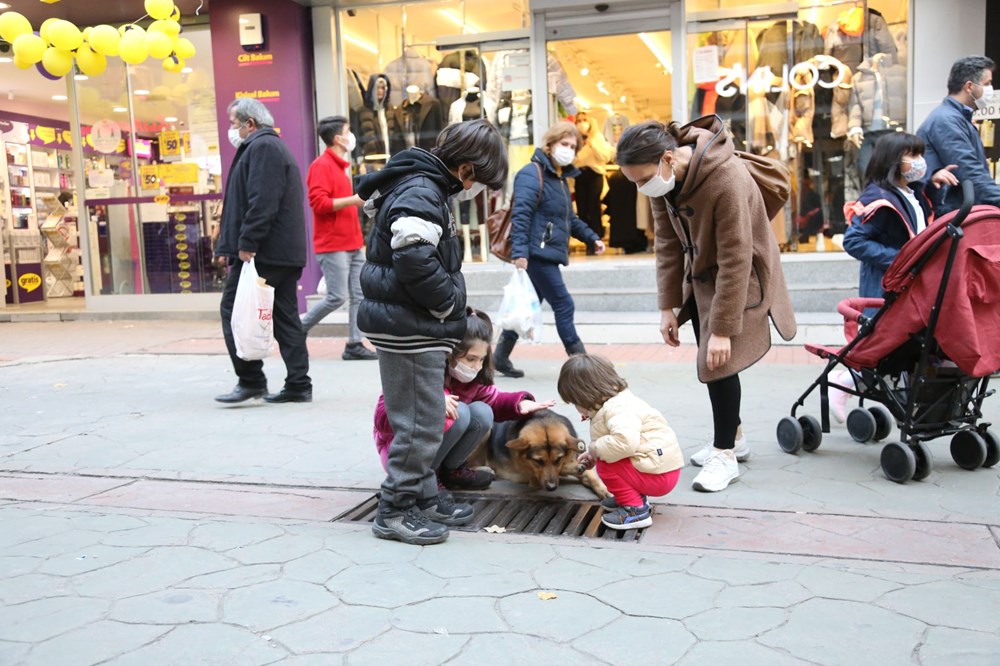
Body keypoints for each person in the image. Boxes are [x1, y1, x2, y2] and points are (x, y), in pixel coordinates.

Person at [615, 117, 796, 493]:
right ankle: (737, 438)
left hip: (740, 276)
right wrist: (668, 306)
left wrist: (724, 328)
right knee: (711, 358)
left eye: (642, 177)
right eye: (634, 181)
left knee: (719, 361)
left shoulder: (725, 177)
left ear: (668, 158)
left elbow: (737, 254)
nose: (640, 186)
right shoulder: (664, 183)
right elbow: (665, 244)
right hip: (700, 277)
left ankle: (725, 453)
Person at [356, 118, 508, 545]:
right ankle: (396, 509)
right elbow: (414, 256)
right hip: (412, 326)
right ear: (466, 170)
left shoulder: (422, 186)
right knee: (421, 425)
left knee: (420, 420)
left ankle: (422, 496)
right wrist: (445, 304)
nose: (478, 189)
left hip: (409, 323)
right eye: (481, 181)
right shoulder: (423, 191)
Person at [835, 132, 956, 421]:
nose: (919, 162)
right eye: (912, 155)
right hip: (885, 287)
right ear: (893, 161)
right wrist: (902, 260)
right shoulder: (877, 198)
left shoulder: (914, 194)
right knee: (885, 347)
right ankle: (845, 382)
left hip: (911, 287)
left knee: (902, 346)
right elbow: (854, 241)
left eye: (920, 154)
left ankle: (856, 385)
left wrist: (935, 187)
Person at [373, 309, 555, 490]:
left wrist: (519, 402)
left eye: (482, 360)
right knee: (459, 412)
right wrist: (432, 403)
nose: (476, 366)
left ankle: (450, 471)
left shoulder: (473, 381)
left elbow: (495, 399)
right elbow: (383, 419)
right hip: (403, 456)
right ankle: (427, 478)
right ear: (450, 354)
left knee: (483, 412)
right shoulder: (421, 372)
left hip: (433, 451)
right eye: (471, 359)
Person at [215, 98, 312, 405]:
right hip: (279, 252)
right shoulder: (268, 147)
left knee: (234, 310)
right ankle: (298, 384)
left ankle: (251, 380)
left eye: (234, 123)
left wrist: (246, 244)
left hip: (266, 254)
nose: (232, 129)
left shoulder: (263, 148)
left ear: (250, 124)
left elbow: (262, 201)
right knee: (285, 318)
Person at [494, 121, 606, 378]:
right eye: (563, 144)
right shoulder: (532, 174)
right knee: (564, 304)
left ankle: (500, 357)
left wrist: (592, 238)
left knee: (527, 305)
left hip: (545, 253)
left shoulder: (559, 178)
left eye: (572, 146)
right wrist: (519, 253)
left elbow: (570, 220)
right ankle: (582, 365)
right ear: (550, 144)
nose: (568, 149)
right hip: (536, 255)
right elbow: (520, 216)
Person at [558, 354, 683, 530]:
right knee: (606, 458)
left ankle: (635, 511)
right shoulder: (618, 401)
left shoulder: (618, 409)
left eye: (574, 402)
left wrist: (596, 449)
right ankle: (630, 496)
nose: (576, 407)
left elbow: (624, 443)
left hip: (659, 475)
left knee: (606, 465)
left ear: (584, 395)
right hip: (659, 467)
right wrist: (594, 454)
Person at [299, 116, 377, 361]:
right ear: (338, 138)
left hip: (351, 242)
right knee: (337, 296)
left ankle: (354, 343)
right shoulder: (321, 166)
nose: (351, 135)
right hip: (333, 244)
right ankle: (297, 329)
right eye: (348, 131)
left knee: (359, 295)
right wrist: (354, 200)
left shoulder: (341, 165)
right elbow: (319, 204)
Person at [916, 55, 997, 216]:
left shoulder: (957, 118)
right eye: (987, 84)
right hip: (954, 219)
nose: (991, 89)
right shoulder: (946, 120)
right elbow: (970, 171)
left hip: (959, 215)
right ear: (969, 86)